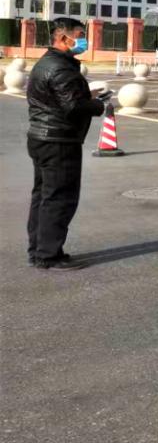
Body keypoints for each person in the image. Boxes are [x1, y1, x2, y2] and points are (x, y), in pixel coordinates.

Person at [25, 17, 106, 270]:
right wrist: (98, 104)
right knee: (59, 198)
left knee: (43, 196)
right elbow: (73, 107)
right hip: (59, 139)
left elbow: (60, 98)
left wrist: (86, 95)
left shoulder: (47, 63)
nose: (84, 41)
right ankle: (48, 255)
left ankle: (38, 249)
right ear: (63, 38)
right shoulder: (61, 68)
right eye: (80, 35)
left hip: (42, 136)